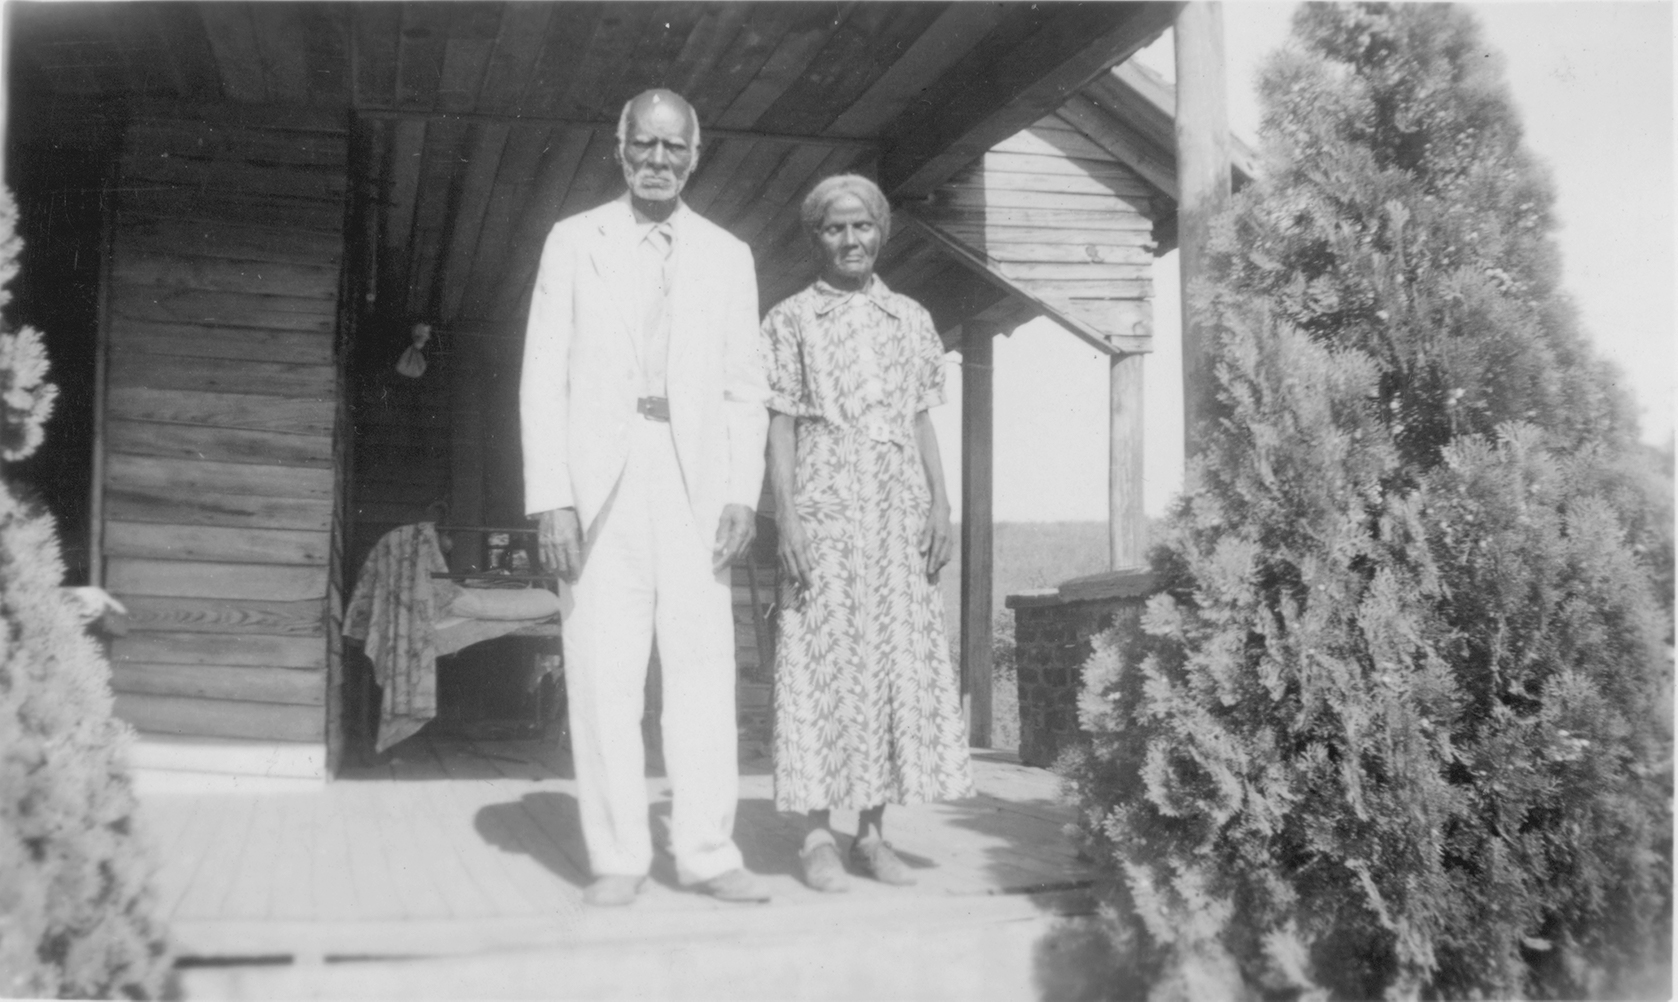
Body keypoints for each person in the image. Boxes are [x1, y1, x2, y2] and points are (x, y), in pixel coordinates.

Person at [519, 89, 771, 907]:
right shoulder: (572, 241)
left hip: (696, 481)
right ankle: (619, 856)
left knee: (702, 672)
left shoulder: (729, 254)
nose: (657, 161)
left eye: (674, 148)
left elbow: (743, 389)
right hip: (601, 485)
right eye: (644, 145)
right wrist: (552, 497)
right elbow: (542, 377)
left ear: (696, 157)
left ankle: (705, 850)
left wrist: (742, 490)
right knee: (602, 674)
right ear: (618, 148)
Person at [761, 174, 975, 893]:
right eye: (834, 228)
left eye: (861, 227)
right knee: (824, 665)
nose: (850, 240)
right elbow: (782, 424)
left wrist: (940, 506)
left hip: (895, 511)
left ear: (880, 232)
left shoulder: (909, 319)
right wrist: (785, 514)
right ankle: (817, 836)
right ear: (815, 236)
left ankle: (872, 835)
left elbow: (920, 419)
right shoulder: (790, 319)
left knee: (888, 665)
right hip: (823, 507)